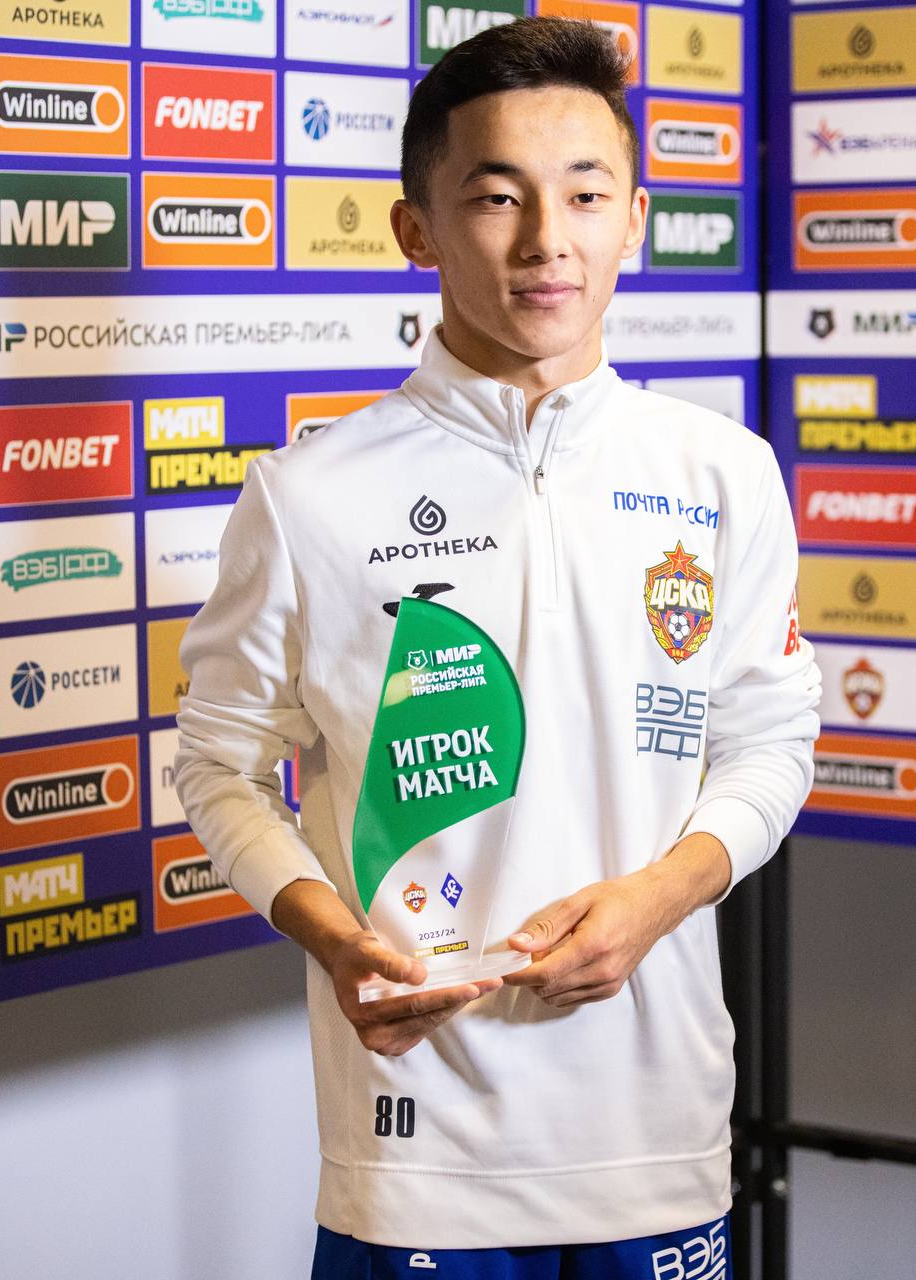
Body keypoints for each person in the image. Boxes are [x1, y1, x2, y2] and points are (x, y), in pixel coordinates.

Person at [175, 17, 821, 1279]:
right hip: (418, 1157)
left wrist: (658, 896)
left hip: (656, 1134)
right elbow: (220, 766)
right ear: (416, 229)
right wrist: (332, 934)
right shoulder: (307, 496)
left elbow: (770, 741)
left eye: (585, 194)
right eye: (496, 196)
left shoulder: (723, 473)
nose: (547, 241)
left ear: (635, 218)